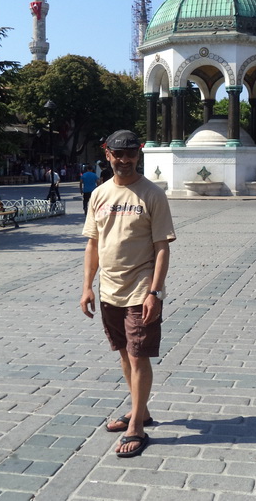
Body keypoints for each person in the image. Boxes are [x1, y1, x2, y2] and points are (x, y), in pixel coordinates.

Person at [81, 130, 176, 458]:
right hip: (109, 291)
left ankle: (136, 425)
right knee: (124, 353)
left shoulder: (152, 194)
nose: (124, 160)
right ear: (107, 154)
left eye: (130, 154)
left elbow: (162, 248)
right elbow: (93, 244)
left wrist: (155, 292)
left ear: (139, 153)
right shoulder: (99, 194)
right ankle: (142, 410)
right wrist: (87, 287)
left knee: (138, 356)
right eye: (118, 154)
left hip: (140, 290)